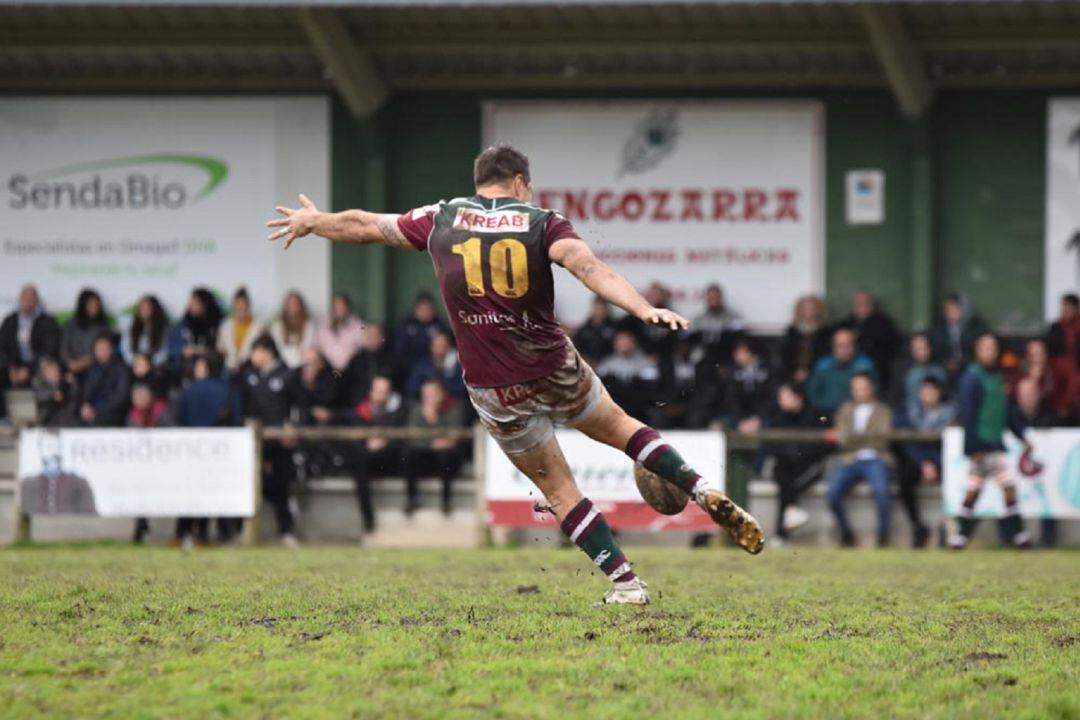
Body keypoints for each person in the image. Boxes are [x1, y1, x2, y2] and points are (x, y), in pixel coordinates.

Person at [268, 143, 764, 605]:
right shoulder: (542, 222)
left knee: (561, 490)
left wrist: (316, 222)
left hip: (494, 387)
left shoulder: (441, 218)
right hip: (551, 363)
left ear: (479, 182)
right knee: (623, 428)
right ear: (521, 183)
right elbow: (588, 268)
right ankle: (699, 487)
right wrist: (641, 306)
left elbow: (366, 225)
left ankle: (628, 585)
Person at [951, 333, 1031, 550]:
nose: (990, 352)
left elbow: (1007, 412)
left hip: (994, 444)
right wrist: (972, 447)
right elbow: (968, 414)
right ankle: (1018, 536)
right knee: (1001, 488)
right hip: (982, 445)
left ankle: (960, 537)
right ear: (978, 350)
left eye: (993, 348)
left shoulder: (998, 377)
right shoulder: (972, 377)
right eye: (985, 347)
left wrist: (1022, 436)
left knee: (978, 490)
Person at [238, 334, 302, 547]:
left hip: (281, 441)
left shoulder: (287, 375)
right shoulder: (248, 376)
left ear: (268, 352)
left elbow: (300, 405)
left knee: (281, 483)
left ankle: (286, 530)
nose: (252, 356)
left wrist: (292, 428)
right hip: (256, 442)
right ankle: (245, 530)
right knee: (255, 484)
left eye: (255, 351)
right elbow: (244, 406)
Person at [175, 351, 242, 548]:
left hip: (192, 451)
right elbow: (236, 422)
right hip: (221, 452)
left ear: (204, 367)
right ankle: (220, 532)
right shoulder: (229, 391)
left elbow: (180, 421)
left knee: (191, 492)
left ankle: (186, 532)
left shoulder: (189, 391)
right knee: (217, 493)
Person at [825, 373, 894, 547]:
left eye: (863, 388)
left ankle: (883, 536)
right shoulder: (845, 410)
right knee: (832, 494)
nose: (860, 392)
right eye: (856, 389)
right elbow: (843, 439)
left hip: (876, 458)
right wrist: (865, 438)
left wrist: (854, 438)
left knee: (882, 492)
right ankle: (846, 534)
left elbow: (882, 438)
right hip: (850, 459)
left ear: (871, 389)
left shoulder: (883, 410)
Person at [765, 383, 829, 543]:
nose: (781, 401)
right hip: (786, 464)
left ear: (798, 397)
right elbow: (771, 445)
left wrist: (799, 453)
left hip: (808, 465)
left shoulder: (815, 416)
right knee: (783, 478)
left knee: (787, 488)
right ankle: (789, 517)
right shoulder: (778, 417)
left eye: (785, 397)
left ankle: (780, 534)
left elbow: (823, 445)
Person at [896, 377, 955, 548]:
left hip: (943, 462)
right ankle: (918, 526)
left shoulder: (950, 414)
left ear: (939, 393)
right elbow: (907, 443)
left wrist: (934, 463)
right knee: (904, 480)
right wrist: (924, 463)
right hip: (918, 461)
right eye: (924, 391)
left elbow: (950, 446)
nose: (927, 395)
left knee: (954, 481)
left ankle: (947, 526)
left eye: (931, 391)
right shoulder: (910, 414)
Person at [350, 374, 406, 532]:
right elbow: (355, 442)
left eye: (385, 390)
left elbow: (403, 439)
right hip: (368, 460)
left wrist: (384, 443)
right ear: (371, 392)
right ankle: (368, 519)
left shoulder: (400, 411)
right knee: (359, 464)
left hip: (391, 459)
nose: (381, 394)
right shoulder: (360, 412)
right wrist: (368, 445)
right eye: (378, 390)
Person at [403, 379, 466, 515]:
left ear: (441, 395)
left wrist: (433, 421)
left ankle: (446, 501)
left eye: (432, 395)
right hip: (426, 457)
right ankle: (412, 498)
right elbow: (414, 437)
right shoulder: (417, 411)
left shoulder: (453, 408)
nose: (429, 399)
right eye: (426, 396)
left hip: (448, 460)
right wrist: (433, 442)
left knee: (444, 455)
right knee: (409, 454)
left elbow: (453, 437)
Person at [1, 285, 60, 419]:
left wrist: (29, 369)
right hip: (13, 365)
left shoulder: (47, 322)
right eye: (24, 298)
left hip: (37, 364)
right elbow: (2, 348)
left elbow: (49, 349)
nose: (27, 302)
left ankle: (40, 419)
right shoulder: (10, 321)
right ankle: (4, 417)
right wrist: (11, 368)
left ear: (36, 301)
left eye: (30, 298)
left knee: (49, 370)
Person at [126, 381, 169, 545]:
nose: (140, 400)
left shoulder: (160, 412)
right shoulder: (132, 416)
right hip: (139, 465)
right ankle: (141, 526)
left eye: (143, 396)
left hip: (160, 464)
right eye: (137, 397)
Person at [837, 290, 901, 394]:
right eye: (859, 304)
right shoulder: (846, 324)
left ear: (872, 305)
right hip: (848, 370)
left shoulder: (884, 323)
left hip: (878, 369)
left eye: (866, 304)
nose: (862, 307)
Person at [807, 328, 877, 417]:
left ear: (854, 346)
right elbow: (812, 393)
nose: (844, 349)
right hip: (824, 415)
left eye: (847, 345)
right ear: (833, 347)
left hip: (855, 416)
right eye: (839, 345)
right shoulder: (823, 366)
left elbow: (873, 393)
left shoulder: (864, 365)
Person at [594, 330, 660, 423]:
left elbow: (649, 389)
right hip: (614, 411)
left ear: (633, 343)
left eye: (626, 342)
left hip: (639, 412)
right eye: (620, 342)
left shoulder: (646, 362)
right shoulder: (607, 363)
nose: (623, 345)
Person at [393, 293, 450, 382]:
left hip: (434, 368)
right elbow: (399, 351)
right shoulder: (405, 325)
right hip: (408, 370)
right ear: (415, 309)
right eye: (422, 309)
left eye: (428, 309)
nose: (424, 312)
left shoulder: (440, 325)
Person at [720, 338, 772, 432]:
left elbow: (770, 398)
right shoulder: (732, 372)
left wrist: (757, 419)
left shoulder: (768, 370)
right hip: (738, 417)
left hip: (762, 417)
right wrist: (741, 419)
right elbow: (731, 398)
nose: (736, 355)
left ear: (751, 353)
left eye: (741, 352)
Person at [930, 293, 986, 380]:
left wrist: (960, 363)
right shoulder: (939, 328)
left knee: (972, 374)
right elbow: (936, 351)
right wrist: (946, 363)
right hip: (944, 367)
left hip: (967, 365)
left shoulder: (973, 327)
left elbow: (975, 350)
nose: (951, 314)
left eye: (955, 310)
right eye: (948, 310)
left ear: (962, 310)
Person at [79, 333, 130, 427]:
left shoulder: (121, 369)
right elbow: (86, 393)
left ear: (111, 349)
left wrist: (97, 409)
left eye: (105, 348)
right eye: (99, 349)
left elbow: (121, 397)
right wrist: (85, 405)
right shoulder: (91, 369)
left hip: (113, 415)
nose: (102, 351)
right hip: (92, 414)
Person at [169, 287, 223, 376]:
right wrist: (184, 351)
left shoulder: (218, 325)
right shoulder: (181, 325)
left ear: (205, 305)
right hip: (185, 367)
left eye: (196, 303)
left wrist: (203, 351)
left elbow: (220, 350)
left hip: (211, 367)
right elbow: (173, 349)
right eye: (190, 303)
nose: (191, 306)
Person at [342, 323, 396, 407]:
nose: (371, 340)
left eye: (375, 336)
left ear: (382, 337)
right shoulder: (356, 359)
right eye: (368, 336)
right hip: (360, 404)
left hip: (387, 403)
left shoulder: (392, 358)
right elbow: (349, 386)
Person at [897, 332, 948, 422]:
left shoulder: (939, 371)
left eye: (924, 348)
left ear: (930, 349)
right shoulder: (903, 371)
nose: (921, 352)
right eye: (917, 349)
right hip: (908, 418)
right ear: (911, 350)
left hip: (937, 418)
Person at [779, 294, 830, 384]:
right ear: (800, 311)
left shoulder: (825, 332)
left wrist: (809, 372)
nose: (809, 312)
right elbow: (786, 355)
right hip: (793, 374)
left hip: (818, 374)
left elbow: (825, 356)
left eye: (812, 308)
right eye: (806, 308)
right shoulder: (792, 331)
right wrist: (795, 372)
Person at [61, 289, 111, 379]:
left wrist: (88, 361)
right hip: (71, 366)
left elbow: (105, 349)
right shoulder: (70, 324)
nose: (94, 307)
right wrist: (70, 363)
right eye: (91, 304)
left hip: (95, 367)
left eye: (96, 304)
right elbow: (64, 347)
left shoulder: (103, 326)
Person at [692, 283, 744, 368]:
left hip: (727, 357)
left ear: (721, 298)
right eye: (710, 298)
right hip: (705, 358)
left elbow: (739, 338)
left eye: (716, 297)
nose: (713, 300)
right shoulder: (699, 319)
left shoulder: (732, 317)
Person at [1046, 293, 1080, 423]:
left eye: (1067, 306)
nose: (1064, 310)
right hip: (1058, 367)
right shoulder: (1056, 327)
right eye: (1063, 306)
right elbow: (1050, 349)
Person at [405, 330, 465, 399]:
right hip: (425, 400)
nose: (438, 348)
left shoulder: (456, 364)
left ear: (448, 346)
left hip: (450, 402)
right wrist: (428, 388)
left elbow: (461, 388)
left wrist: (442, 387)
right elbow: (412, 386)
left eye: (442, 345)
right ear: (431, 346)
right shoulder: (423, 364)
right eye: (436, 344)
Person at [217, 287, 265, 373]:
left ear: (248, 306)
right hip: (229, 367)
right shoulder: (225, 326)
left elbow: (262, 349)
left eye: (243, 306)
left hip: (252, 367)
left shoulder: (258, 326)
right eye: (238, 305)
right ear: (233, 306)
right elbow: (220, 349)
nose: (240, 308)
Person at [315, 292, 365, 373]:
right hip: (326, 370)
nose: (339, 311)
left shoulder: (359, 325)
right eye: (336, 307)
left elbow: (363, 347)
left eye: (342, 307)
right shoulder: (323, 323)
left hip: (351, 370)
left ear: (348, 308)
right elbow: (317, 346)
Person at [269, 290, 315, 368]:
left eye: (295, 304)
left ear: (301, 306)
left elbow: (308, 346)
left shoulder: (308, 325)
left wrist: (298, 359)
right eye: (290, 304)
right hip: (282, 364)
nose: (293, 307)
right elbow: (277, 347)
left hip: (302, 363)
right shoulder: (277, 325)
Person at [125, 295, 169, 367]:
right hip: (134, 366)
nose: (144, 311)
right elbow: (126, 349)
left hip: (155, 367)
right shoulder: (131, 327)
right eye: (141, 308)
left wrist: (148, 363)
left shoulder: (162, 328)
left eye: (147, 308)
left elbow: (163, 353)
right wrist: (136, 362)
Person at [32, 356, 76, 428]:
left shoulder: (65, 385)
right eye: (52, 371)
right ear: (45, 374)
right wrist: (52, 394)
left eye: (57, 370)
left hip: (65, 422)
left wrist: (73, 384)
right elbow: (38, 396)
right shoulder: (39, 384)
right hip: (45, 422)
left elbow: (74, 399)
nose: (56, 373)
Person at [573, 296, 618, 365]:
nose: (599, 311)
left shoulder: (614, 326)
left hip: (610, 362)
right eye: (597, 307)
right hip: (588, 363)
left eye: (602, 308)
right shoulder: (585, 328)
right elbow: (577, 347)